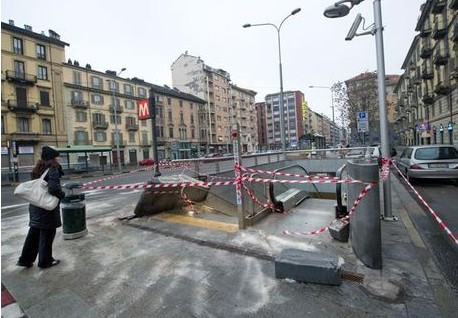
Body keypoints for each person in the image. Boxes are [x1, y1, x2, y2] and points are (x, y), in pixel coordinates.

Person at [17, 146, 65, 269]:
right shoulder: (53, 169)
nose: (58, 158)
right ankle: (45, 261)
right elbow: (53, 188)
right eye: (57, 156)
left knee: (34, 233)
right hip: (46, 207)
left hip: (35, 205)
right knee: (47, 234)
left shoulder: (38, 168)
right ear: (53, 158)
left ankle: (25, 260)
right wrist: (62, 195)